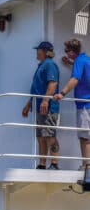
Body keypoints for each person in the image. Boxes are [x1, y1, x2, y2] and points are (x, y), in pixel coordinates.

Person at [22, 41, 60, 170]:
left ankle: (54, 163)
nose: (36, 52)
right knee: (41, 136)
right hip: (38, 106)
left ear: (44, 51)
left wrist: (45, 101)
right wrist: (29, 104)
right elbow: (35, 88)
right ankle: (42, 164)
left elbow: (53, 83)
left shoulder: (50, 65)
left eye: (38, 50)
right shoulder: (42, 65)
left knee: (50, 135)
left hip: (48, 107)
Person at [54, 39, 90, 170]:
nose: (66, 53)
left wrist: (62, 94)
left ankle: (87, 167)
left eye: (67, 51)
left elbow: (75, 79)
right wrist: (70, 63)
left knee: (85, 137)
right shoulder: (85, 59)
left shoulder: (79, 61)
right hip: (87, 103)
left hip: (85, 105)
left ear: (72, 51)